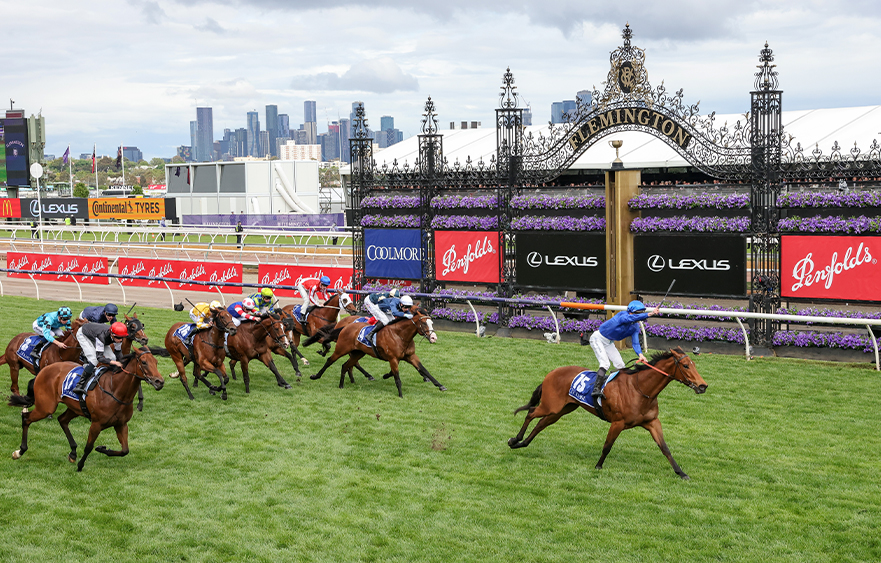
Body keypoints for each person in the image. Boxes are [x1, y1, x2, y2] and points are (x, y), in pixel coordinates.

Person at [589, 300, 661, 400]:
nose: (638, 318)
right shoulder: (622, 316)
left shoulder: (635, 327)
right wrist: (650, 314)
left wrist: (640, 354)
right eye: (638, 314)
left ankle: (618, 387)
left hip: (609, 342)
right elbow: (631, 318)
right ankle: (595, 389)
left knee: (621, 366)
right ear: (631, 312)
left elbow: (635, 342)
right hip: (598, 339)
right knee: (605, 364)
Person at [71, 321, 127, 396]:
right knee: (94, 359)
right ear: (112, 335)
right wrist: (115, 363)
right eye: (118, 338)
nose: (120, 340)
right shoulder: (102, 336)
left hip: (97, 336)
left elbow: (118, 352)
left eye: (122, 338)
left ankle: (112, 379)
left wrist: (123, 362)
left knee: (112, 357)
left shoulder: (118, 337)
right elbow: (99, 357)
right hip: (84, 334)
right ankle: (79, 385)